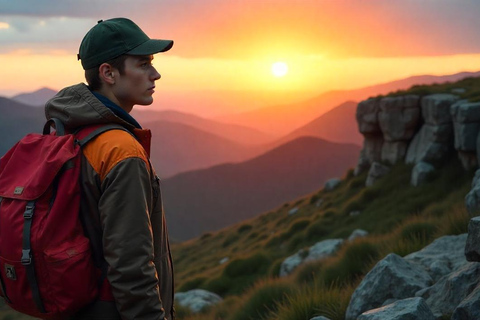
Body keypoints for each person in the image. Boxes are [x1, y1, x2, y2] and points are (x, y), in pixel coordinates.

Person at [44, 18, 175, 320]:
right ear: (109, 73)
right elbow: (131, 267)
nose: (155, 74)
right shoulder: (121, 151)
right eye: (143, 64)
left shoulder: (66, 132)